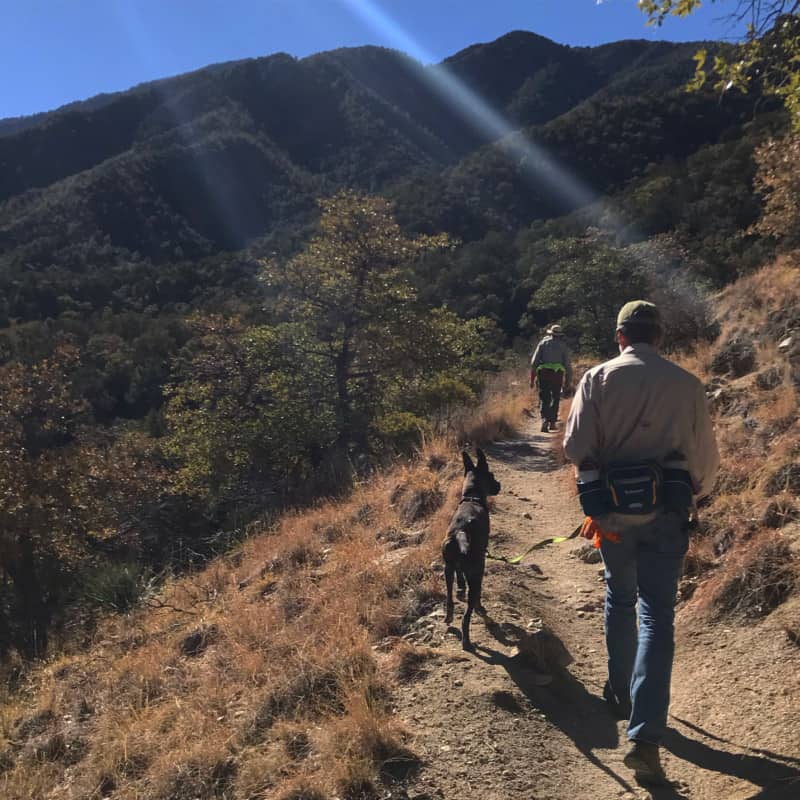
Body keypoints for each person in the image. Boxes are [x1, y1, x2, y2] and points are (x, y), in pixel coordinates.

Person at [562, 301, 719, 784]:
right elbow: (705, 463)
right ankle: (645, 734)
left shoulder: (596, 379)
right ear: (659, 336)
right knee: (657, 615)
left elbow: (574, 447)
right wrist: (695, 492)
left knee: (619, 597)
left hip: (611, 516)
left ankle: (620, 693)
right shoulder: (687, 384)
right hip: (667, 514)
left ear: (620, 336)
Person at [530, 324, 572, 433]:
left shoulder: (543, 343)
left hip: (543, 374)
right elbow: (567, 365)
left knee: (545, 397)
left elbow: (534, 362)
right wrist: (568, 381)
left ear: (551, 334)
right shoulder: (564, 347)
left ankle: (544, 419)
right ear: (560, 335)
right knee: (556, 397)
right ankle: (552, 422)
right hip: (557, 375)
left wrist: (532, 378)